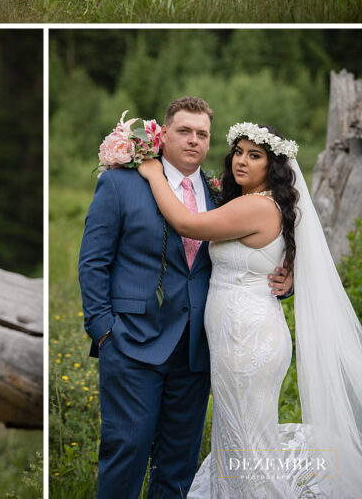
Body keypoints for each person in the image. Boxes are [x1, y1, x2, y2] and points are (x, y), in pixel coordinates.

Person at [78, 97, 291, 499]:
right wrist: (103, 331)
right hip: (131, 343)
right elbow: (92, 262)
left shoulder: (220, 194)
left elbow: (253, 250)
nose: (194, 140)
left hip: (198, 349)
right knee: (128, 452)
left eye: (202, 134)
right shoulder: (121, 183)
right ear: (163, 133)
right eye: (184, 131)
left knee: (179, 465)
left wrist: (285, 276)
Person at [138, 123, 362, 497]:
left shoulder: (255, 206)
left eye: (254, 155)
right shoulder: (265, 204)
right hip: (240, 337)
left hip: (248, 341)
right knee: (240, 440)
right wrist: (287, 277)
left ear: (272, 165)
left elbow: (186, 223)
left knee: (249, 448)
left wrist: (152, 172)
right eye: (238, 152)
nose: (241, 160)